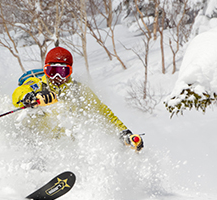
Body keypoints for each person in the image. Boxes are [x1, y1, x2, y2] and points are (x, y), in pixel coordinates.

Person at [12, 46, 144, 151]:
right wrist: (29, 97)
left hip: (65, 147)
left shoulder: (79, 91)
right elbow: (19, 92)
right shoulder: (37, 84)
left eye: (63, 72)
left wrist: (124, 133)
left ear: (70, 72)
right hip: (35, 142)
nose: (57, 77)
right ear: (46, 70)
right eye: (52, 71)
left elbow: (104, 113)